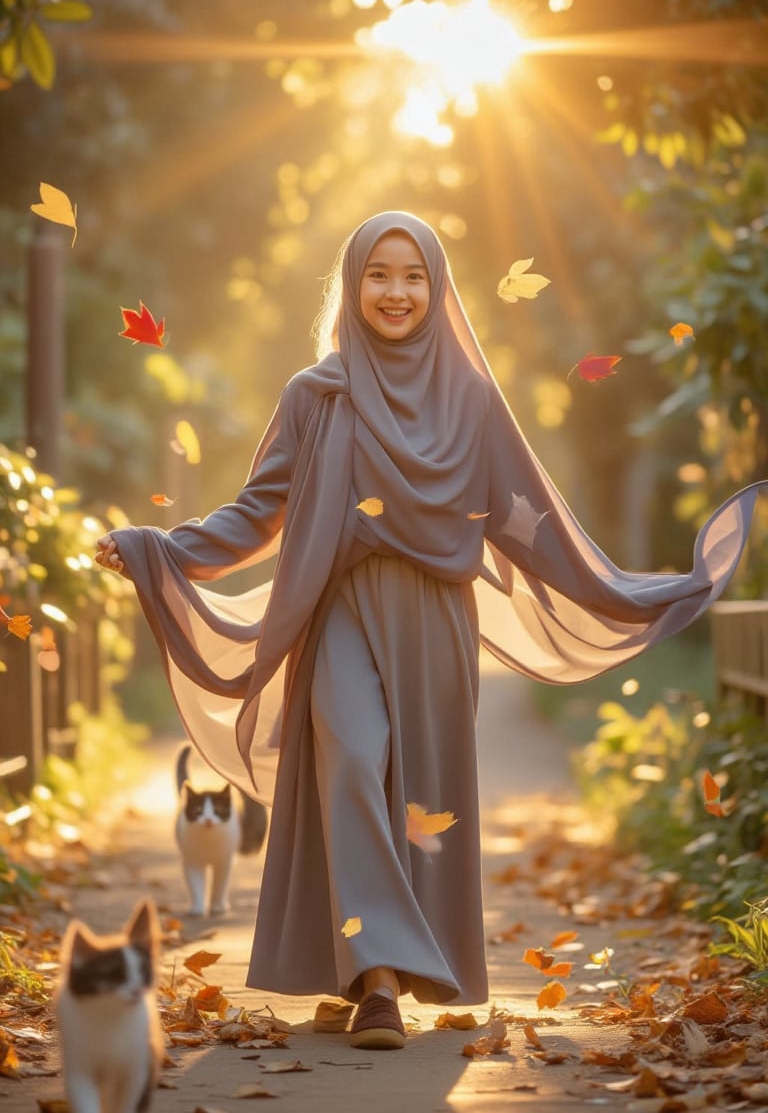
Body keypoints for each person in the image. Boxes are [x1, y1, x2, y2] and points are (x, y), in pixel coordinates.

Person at [96, 210, 766, 1050]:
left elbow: (532, 526)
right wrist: (159, 548)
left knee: (413, 798)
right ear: (352, 283)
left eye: (413, 275)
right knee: (350, 755)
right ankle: (378, 983)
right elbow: (258, 510)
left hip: (434, 621)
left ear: (437, 286)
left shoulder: (472, 399)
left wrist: (634, 589)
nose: (396, 291)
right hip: (336, 608)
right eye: (379, 273)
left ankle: (350, 966)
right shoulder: (317, 393)